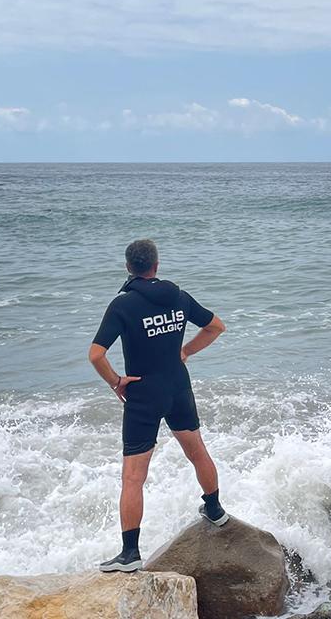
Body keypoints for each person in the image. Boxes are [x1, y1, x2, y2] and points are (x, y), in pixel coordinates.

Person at [89, 239, 229, 573]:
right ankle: (215, 509)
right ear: (157, 264)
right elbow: (215, 327)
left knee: (133, 478)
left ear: (128, 268)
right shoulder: (179, 297)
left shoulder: (123, 305)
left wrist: (116, 381)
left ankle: (129, 553)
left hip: (143, 394)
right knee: (197, 451)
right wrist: (186, 352)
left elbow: (96, 354)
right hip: (177, 386)